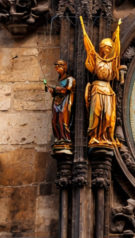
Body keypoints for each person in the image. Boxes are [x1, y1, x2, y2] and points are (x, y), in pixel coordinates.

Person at [81, 17, 122, 149]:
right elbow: (89, 48)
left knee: (109, 117)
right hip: (97, 89)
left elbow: (117, 50)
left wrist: (117, 33)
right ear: (101, 48)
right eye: (105, 47)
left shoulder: (113, 62)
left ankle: (108, 137)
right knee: (97, 113)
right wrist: (85, 35)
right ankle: (95, 136)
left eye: (109, 48)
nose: (108, 50)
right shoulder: (95, 59)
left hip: (108, 90)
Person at [47, 60, 76, 152]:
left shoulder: (70, 79)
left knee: (62, 121)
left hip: (65, 102)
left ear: (63, 67)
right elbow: (57, 92)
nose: (56, 69)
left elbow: (66, 90)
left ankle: (65, 139)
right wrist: (52, 91)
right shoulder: (59, 81)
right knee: (54, 122)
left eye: (58, 67)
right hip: (56, 102)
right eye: (56, 68)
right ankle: (58, 139)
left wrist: (57, 89)